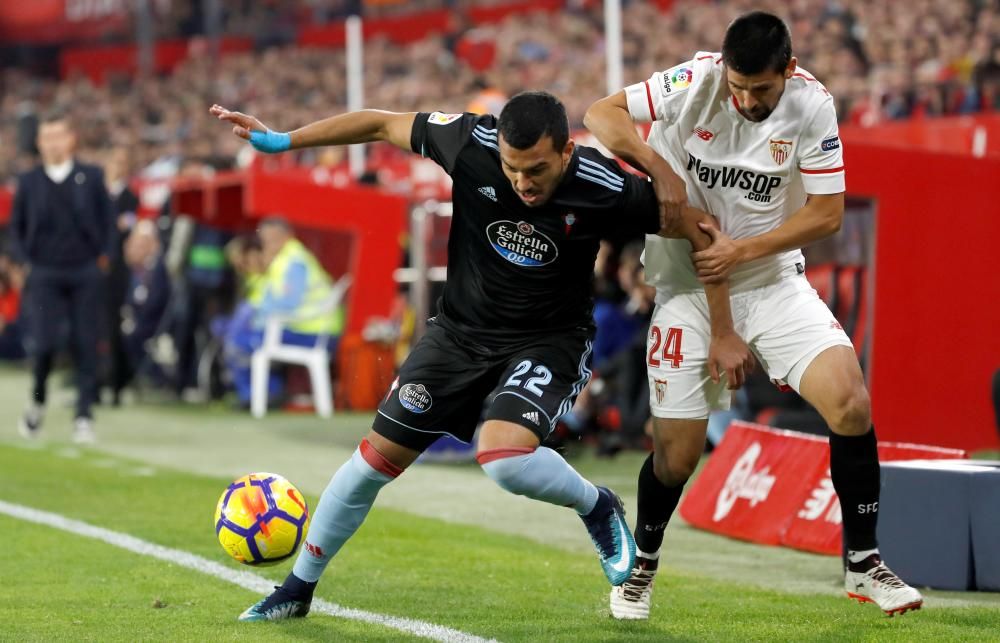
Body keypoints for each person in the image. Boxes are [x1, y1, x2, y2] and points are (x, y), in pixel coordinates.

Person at [210, 90, 745, 621]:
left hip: (548, 340)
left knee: (503, 461)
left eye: (536, 170)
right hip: (458, 335)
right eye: (513, 170)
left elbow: (703, 231)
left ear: (565, 153)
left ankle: (596, 505)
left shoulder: (603, 186)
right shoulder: (469, 142)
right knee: (371, 462)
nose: (523, 183)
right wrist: (283, 140)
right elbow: (378, 124)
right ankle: (298, 589)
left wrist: (722, 329)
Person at [584, 11, 923, 619]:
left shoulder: (813, 105)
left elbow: (826, 215)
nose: (743, 100)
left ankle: (864, 562)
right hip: (684, 289)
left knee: (850, 402)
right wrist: (657, 165)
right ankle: (643, 566)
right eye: (737, 86)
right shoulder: (697, 81)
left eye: (759, 90)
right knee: (677, 458)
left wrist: (744, 250)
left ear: (788, 72)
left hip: (770, 280)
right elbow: (599, 114)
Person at [9, 110, 114, 444]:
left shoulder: (92, 176)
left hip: (84, 270)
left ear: (72, 139)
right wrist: (23, 263)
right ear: (38, 142)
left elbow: (108, 223)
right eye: (46, 137)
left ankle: (84, 414)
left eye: (58, 135)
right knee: (44, 344)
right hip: (44, 271)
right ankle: (38, 399)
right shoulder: (28, 182)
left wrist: (104, 258)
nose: (52, 143)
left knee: (86, 342)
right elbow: (17, 228)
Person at [222, 217, 343, 408]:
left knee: (240, 341)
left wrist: (256, 316)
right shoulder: (283, 260)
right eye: (266, 240)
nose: (269, 245)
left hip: (312, 332)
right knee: (240, 335)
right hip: (303, 328)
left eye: (273, 239)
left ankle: (262, 395)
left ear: (287, 237)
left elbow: (288, 304)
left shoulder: (293, 261)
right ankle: (261, 394)